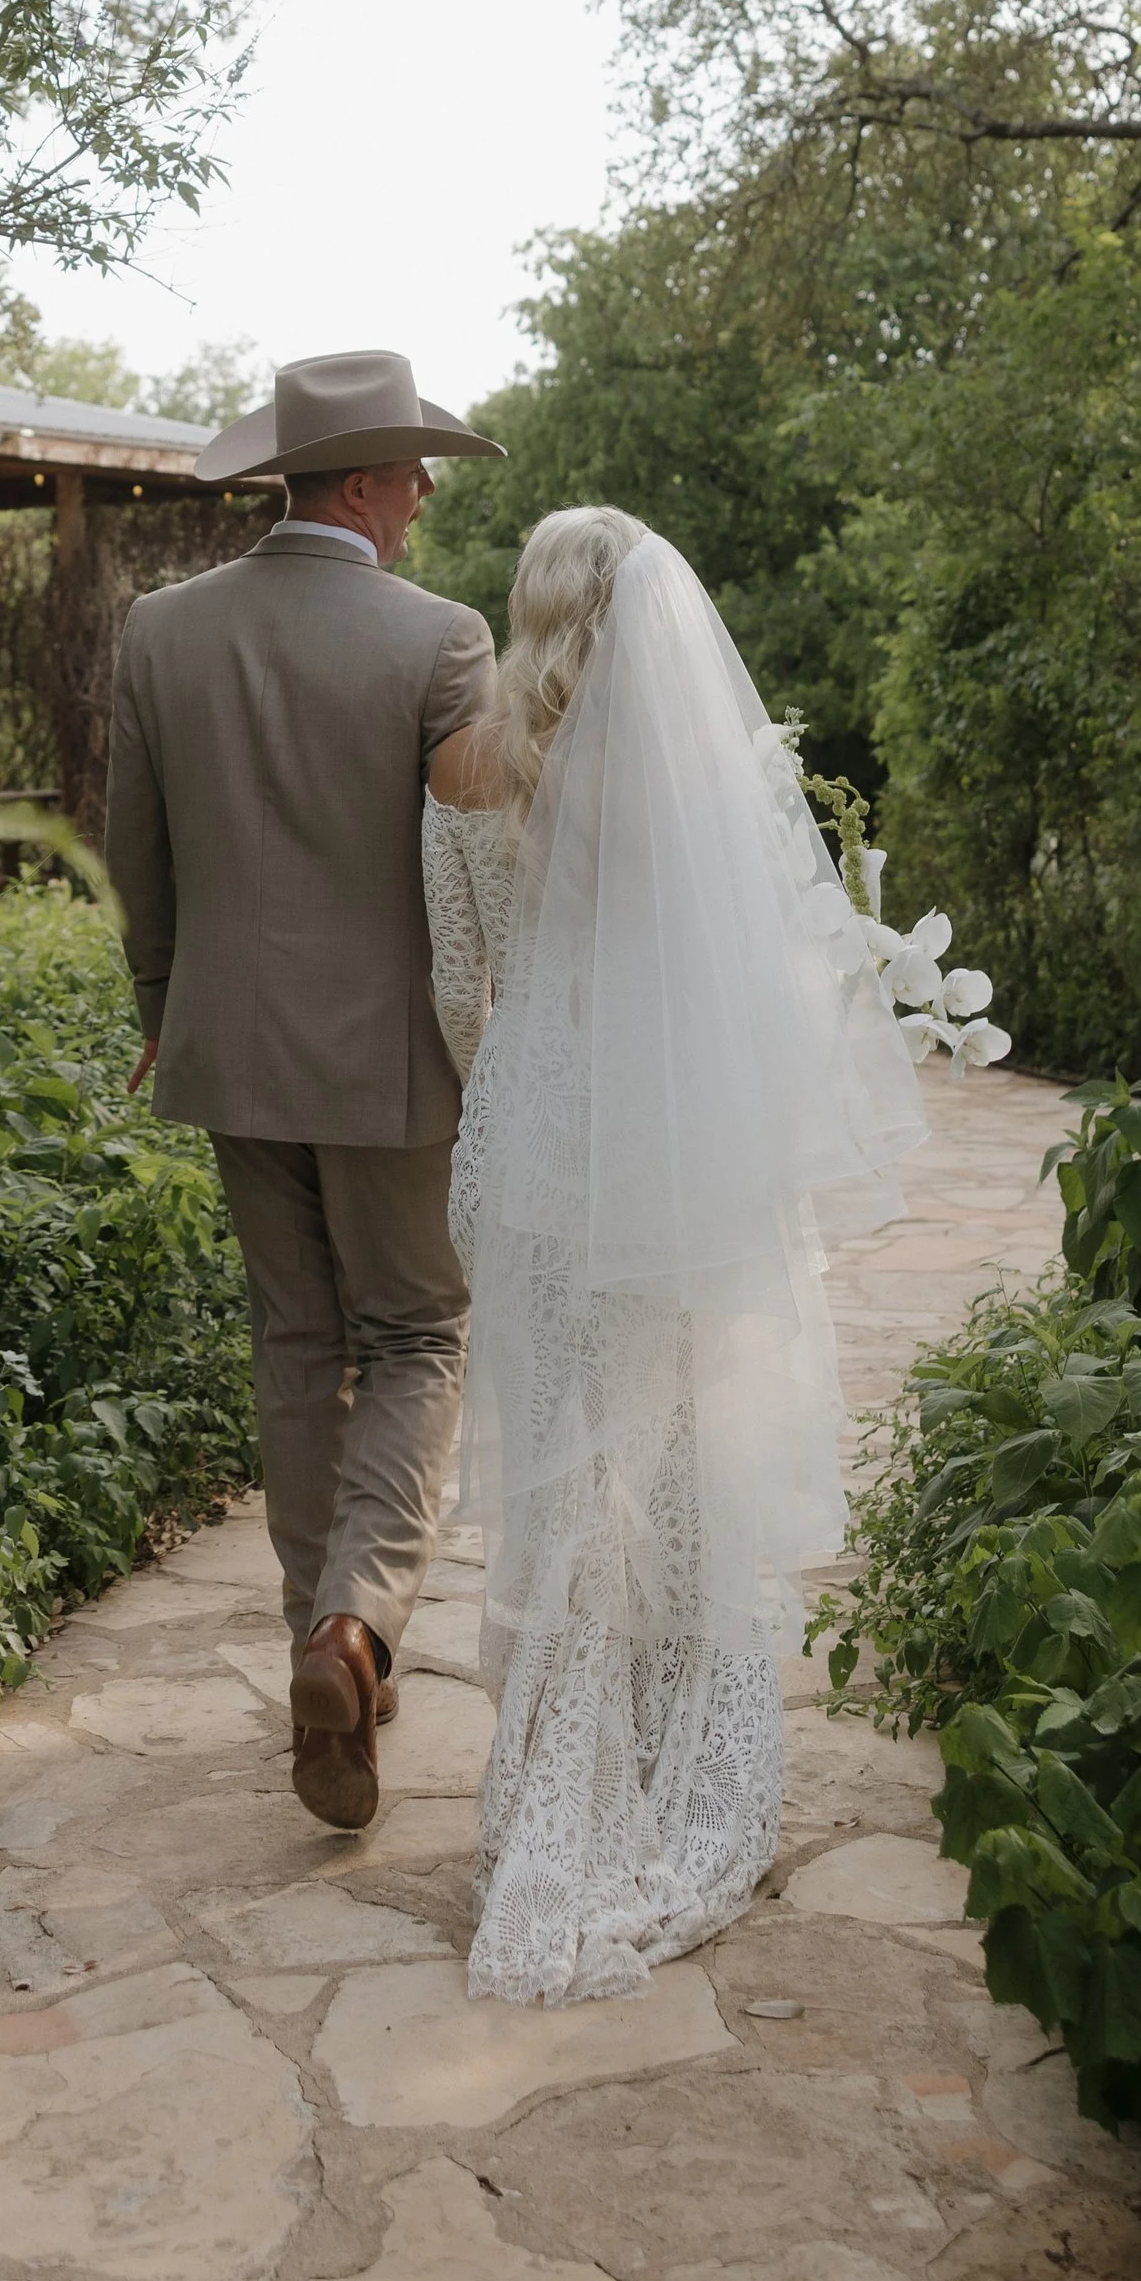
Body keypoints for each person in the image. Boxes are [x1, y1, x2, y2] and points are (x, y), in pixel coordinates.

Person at [423, 507, 927, 2007]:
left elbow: (466, 989)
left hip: (526, 1142)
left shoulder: (468, 769)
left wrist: (499, 1103)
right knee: (662, 1464)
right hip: (658, 1150)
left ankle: (543, 1794)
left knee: (569, 1463)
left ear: (530, 612)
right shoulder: (685, 776)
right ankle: (637, 1782)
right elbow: (742, 977)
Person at [105, 348, 503, 1832]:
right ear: (355, 481)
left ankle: (323, 1648)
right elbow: (477, 869)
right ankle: (355, 1625)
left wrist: (163, 1005)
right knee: (415, 1332)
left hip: (226, 1047)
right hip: (392, 1060)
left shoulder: (162, 630)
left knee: (295, 1339)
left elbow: (133, 852)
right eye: (409, 472)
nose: (420, 498)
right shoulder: (442, 642)